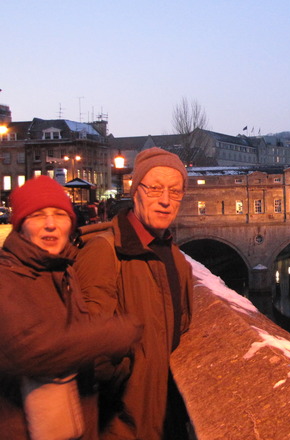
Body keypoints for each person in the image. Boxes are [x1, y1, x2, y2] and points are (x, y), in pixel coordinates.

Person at [0, 175, 142, 440]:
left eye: (59, 214)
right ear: (20, 226)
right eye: (38, 215)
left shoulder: (64, 270)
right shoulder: (7, 276)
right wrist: (112, 334)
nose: (51, 225)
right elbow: (29, 349)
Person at [75, 148, 193, 440]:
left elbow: (179, 331)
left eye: (175, 192)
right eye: (154, 188)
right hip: (120, 425)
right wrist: (130, 370)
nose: (165, 201)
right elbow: (88, 355)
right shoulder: (104, 251)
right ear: (134, 189)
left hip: (165, 421)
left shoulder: (176, 258)